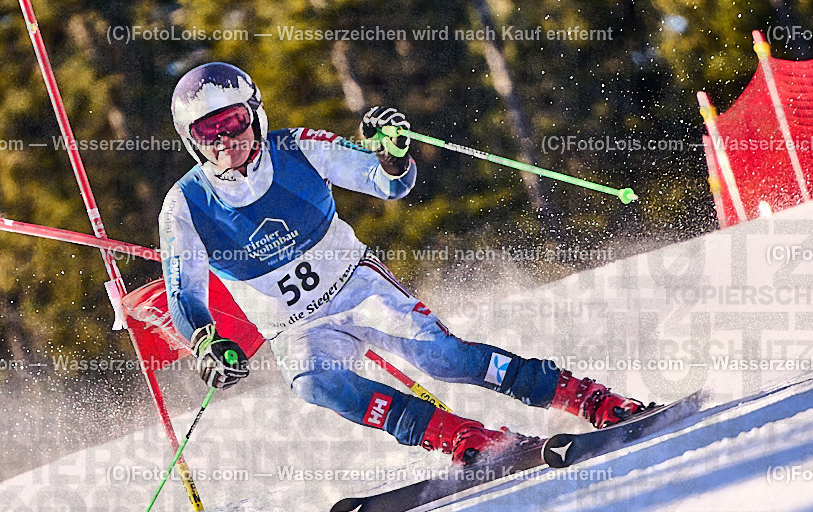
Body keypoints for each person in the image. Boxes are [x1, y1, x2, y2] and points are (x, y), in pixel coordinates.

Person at [159, 62, 645, 465]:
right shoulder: (185, 204)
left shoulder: (299, 148)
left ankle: (587, 398)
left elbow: (389, 184)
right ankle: (462, 437)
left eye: (234, 122)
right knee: (318, 385)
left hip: (358, 289)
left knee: (445, 359)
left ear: (256, 115)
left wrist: (392, 156)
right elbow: (185, 292)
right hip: (295, 328)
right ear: (191, 139)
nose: (226, 140)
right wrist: (206, 340)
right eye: (208, 130)